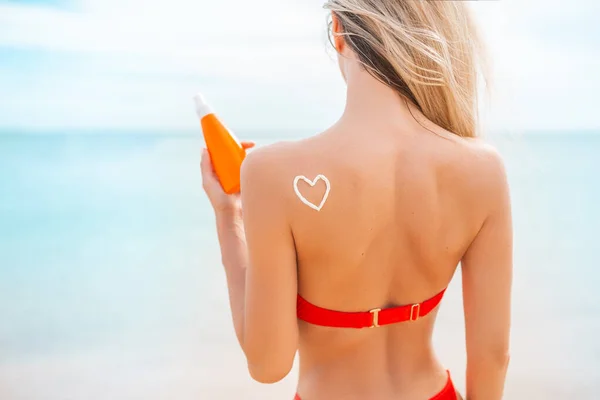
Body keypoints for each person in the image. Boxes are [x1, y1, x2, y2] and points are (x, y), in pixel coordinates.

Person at [200, 1, 512, 399]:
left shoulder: (269, 171)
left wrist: (229, 216)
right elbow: (492, 355)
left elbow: (268, 365)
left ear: (337, 31)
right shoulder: (483, 169)